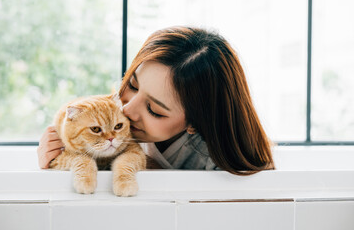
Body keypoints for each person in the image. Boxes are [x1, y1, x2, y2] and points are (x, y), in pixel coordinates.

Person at [37, 26, 274, 175]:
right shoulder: (113, 117)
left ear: (195, 124)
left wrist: (150, 168)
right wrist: (59, 156)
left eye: (153, 110)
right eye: (132, 85)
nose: (128, 109)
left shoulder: (210, 160)